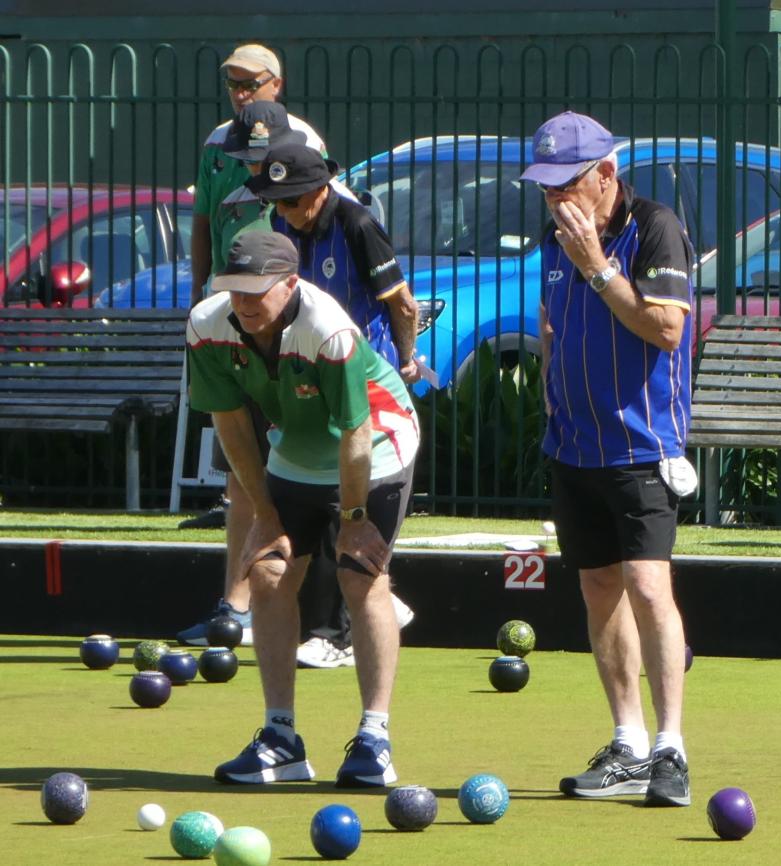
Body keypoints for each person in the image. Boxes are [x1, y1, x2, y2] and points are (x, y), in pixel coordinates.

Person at [186, 231, 420, 786]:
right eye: (234, 288)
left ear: (290, 283)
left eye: (256, 290)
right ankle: (281, 739)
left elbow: (355, 431)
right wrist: (264, 514)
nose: (243, 302)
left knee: (361, 576)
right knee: (268, 575)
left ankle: (374, 740)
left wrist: (355, 520)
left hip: (378, 443)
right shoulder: (206, 325)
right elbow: (231, 423)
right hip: (295, 449)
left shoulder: (327, 329)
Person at [519, 110, 697, 807]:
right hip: (573, 446)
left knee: (648, 587)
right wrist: (549, 388)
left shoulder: (654, 228)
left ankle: (671, 748)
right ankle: (627, 743)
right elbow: (551, 324)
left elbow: (667, 329)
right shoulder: (553, 238)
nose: (555, 198)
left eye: (566, 184)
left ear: (606, 175)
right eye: (545, 187)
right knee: (599, 589)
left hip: (642, 445)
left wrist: (596, 267)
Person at [245, 139, 423, 667]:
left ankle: (339, 634)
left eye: (292, 200)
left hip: (364, 380)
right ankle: (375, 605)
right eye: (276, 201)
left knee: (349, 500)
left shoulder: (358, 224)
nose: (284, 211)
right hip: (306, 376)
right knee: (322, 501)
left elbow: (403, 304)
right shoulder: (279, 227)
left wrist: (407, 359)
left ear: (321, 190)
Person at [177, 43, 325, 644]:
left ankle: (314, 614)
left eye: (250, 83)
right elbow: (204, 221)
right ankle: (234, 605)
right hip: (230, 316)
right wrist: (198, 297)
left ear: (275, 84)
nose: (240, 93)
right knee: (241, 469)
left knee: (305, 462)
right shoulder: (218, 142)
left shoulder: (300, 139)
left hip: (285, 321)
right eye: (233, 84)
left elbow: (312, 222)